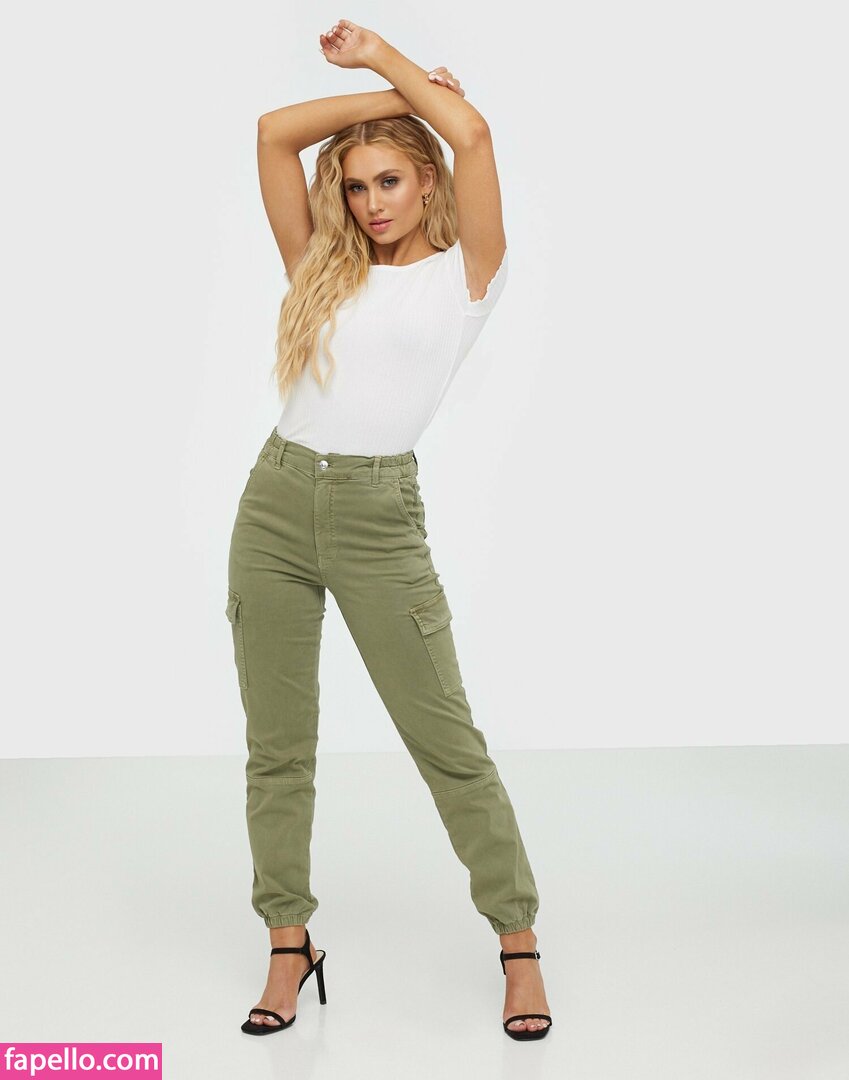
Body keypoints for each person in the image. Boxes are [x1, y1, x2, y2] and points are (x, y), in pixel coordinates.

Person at [226, 19, 552, 1041]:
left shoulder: (467, 276)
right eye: (358, 185)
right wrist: (394, 105)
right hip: (274, 506)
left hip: (378, 521)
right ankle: (288, 944)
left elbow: (476, 135)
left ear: (426, 183)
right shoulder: (322, 265)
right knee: (278, 749)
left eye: (390, 181)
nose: (371, 202)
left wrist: (387, 70)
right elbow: (274, 133)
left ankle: (518, 943)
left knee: (445, 742)